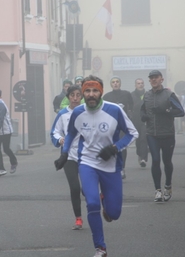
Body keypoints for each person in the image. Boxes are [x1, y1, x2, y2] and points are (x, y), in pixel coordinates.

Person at [54, 75, 138, 257]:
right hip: (87, 163)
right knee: (91, 202)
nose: (91, 94)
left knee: (114, 213)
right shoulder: (78, 112)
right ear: (83, 93)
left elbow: (132, 133)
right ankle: (100, 247)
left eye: (95, 91)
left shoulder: (114, 110)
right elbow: (70, 134)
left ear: (101, 92)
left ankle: (108, 206)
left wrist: (115, 148)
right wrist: (64, 153)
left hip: (110, 166)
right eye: (87, 91)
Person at [140, 70, 185, 202]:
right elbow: (143, 109)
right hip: (152, 133)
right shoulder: (147, 95)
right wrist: (143, 116)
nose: (154, 80)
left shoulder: (169, 94)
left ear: (161, 79)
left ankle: (168, 186)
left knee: (167, 161)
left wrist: (166, 111)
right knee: (155, 160)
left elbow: (181, 111)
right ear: (149, 80)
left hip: (167, 134)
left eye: (156, 78)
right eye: (151, 78)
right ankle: (157, 190)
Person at [50, 84, 84, 230]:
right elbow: (54, 132)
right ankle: (78, 219)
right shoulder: (62, 114)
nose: (75, 98)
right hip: (68, 156)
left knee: (88, 189)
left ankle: (96, 202)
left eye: (78, 95)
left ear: (81, 96)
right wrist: (59, 139)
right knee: (75, 187)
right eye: (72, 95)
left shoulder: (86, 112)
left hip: (85, 155)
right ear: (68, 97)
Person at [102, 75, 134, 179]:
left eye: (117, 82)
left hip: (122, 124)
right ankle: (110, 167)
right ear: (111, 84)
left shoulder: (126, 94)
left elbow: (131, 106)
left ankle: (121, 168)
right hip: (110, 125)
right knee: (110, 145)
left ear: (120, 83)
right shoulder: (106, 96)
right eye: (113, 82)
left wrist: (129, 117)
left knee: (121, 146)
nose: (115, 83)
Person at [131, 78, 149, 168]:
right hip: (135, 120)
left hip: (145, 120)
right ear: (135, 85)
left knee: (144, 138)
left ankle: (143, 158)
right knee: (138, 140)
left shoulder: (148, 94)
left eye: (142, 83)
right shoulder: (132, 95)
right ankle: (139, 154)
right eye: (138, 83)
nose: (140, 85)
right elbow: (129, 108)